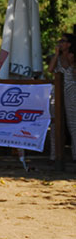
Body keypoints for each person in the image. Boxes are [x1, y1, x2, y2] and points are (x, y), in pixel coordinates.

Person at [48, 32, 76, 161]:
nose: (60, 43)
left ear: (69, 44)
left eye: (63, 41)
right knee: (54, 122)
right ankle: (54, 155)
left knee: (73, 123)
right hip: (58, 90)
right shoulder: (57, 58)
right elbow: (50, 70)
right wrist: (56, 55)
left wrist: (71, 63)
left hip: (71, 89)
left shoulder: (72, 57)